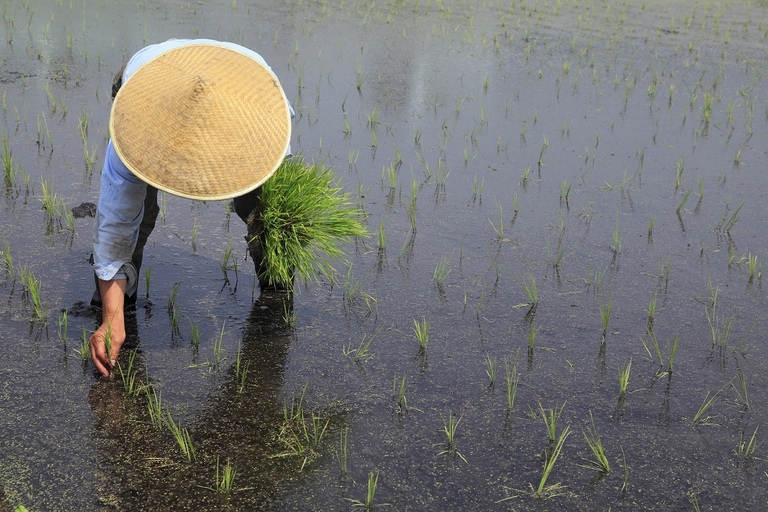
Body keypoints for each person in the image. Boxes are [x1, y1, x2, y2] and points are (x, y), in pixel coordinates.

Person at [89, 39, 293, 378]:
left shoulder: (267, 120)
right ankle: (118, 304)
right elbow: (115, 222)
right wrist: (111, 318)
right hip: (150, 73)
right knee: (139, 219)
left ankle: (276, 291)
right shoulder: (138, 121)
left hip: (243, 79)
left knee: (261, 210)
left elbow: (281, 208)